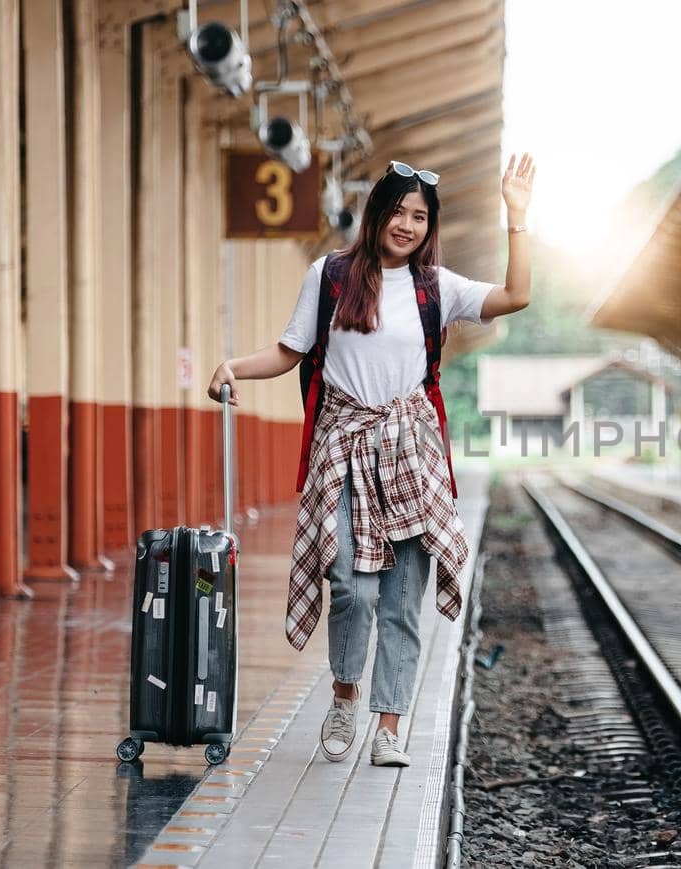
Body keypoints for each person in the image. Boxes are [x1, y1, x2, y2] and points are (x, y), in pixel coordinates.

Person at [207, 154, 536, 766]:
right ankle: (343, 691)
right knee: (350, 587)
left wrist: (516, 217)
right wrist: (233, 365)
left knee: (401, 597)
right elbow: (288, 351)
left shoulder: (438, 286)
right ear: (376, 212)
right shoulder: (330, 275)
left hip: (412, 452)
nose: (407, 225)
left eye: (419, 216)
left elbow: (518, 295)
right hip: (345, 446)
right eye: (398, 211)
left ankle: (388, 726)